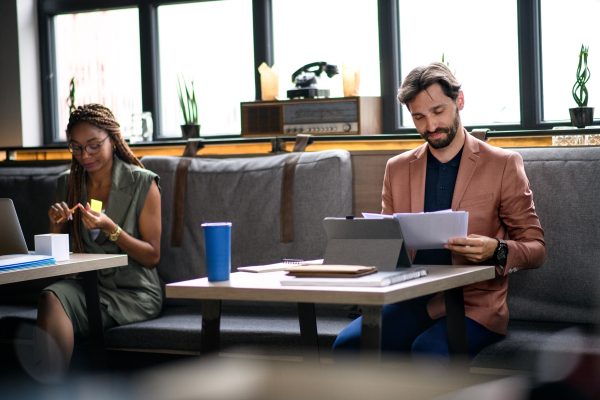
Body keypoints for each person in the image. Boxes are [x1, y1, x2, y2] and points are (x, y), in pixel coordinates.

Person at [332, 62, 546, 365]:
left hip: (474, 306)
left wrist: (495, 249)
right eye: (419, 117)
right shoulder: (397, 168)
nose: (430, 126)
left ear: (459, 101)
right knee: (349, 346)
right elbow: (387, 246)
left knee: (428, 352)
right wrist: (365, 250)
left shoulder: (503, 164)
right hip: (409, 300)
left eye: (438, 112)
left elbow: (536, 249)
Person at [34, 104, 162, 381]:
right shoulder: (68, 183)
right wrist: (57, 224)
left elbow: (152, 257)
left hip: (132, 292)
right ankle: (50, 392)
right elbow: (56, 253)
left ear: (113, 139)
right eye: (76, 147)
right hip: (86, 284)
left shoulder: (143, 183)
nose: (85, 155)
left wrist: (112, 229)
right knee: (50, 297)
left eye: (93, 145)